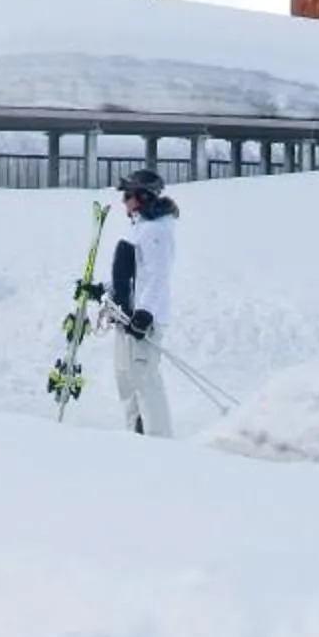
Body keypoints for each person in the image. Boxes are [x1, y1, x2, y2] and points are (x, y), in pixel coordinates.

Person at [106, 167, 180, 439]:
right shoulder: (140, 229)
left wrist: (145, 312)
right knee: (126, 380)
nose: (123, 201)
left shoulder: (155, 231)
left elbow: (158, 276)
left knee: (145, 379)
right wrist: (106, 289)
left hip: (143, 321)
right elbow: (134, 275)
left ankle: (159, 440)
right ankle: (136, 437)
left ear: (143, 196)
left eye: (128, 195)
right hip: (127, 319)